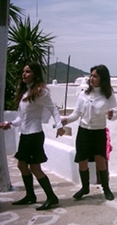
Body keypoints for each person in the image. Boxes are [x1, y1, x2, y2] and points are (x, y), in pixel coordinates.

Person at [0, 62, 65, 210]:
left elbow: (53, 109)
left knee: (35, 168)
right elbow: (22, 117)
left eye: (28, 71)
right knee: (21, 165)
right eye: (23, 71)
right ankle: (30, 195)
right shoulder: (26, 92)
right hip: (25, 135)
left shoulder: (41, 92)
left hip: (34, 135)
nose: (24, 74)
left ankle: (51, 197)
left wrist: (59, 126)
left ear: (35, 74)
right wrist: (10, 124)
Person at [61, 65, 117, 201]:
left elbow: (115, 115)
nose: (92, 78)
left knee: (101, 161)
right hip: (84, 132)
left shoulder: (108, 96)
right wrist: (65, 120)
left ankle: (106, 188)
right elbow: (76, 114)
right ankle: (85, 188)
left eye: (95, 76)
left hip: (98, 132)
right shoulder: (83, 94)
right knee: (82, 161)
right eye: (91, 75)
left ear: (102, 79)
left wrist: (111, 114)